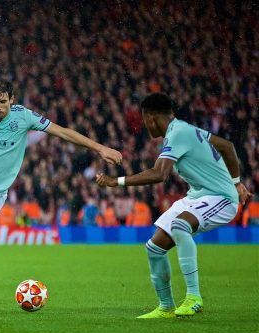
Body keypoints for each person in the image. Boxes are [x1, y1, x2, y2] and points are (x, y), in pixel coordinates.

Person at [0, 78, 123, 305]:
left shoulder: (24, 116)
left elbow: (63, 132)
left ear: (12, 100)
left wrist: (100, 148)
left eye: (3, 102)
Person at [96, 92, 252, 318]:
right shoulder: (184, 129)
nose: (145, 126)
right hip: (198, 196)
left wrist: (115, 181)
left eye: (144, 120)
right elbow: (227, 146)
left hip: (221, 198)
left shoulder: (178, 133)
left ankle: (194, 298)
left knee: (180, 225)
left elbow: (160, 174)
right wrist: (238, 182)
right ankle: (166, 307)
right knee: (154, 247)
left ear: (150, 118)